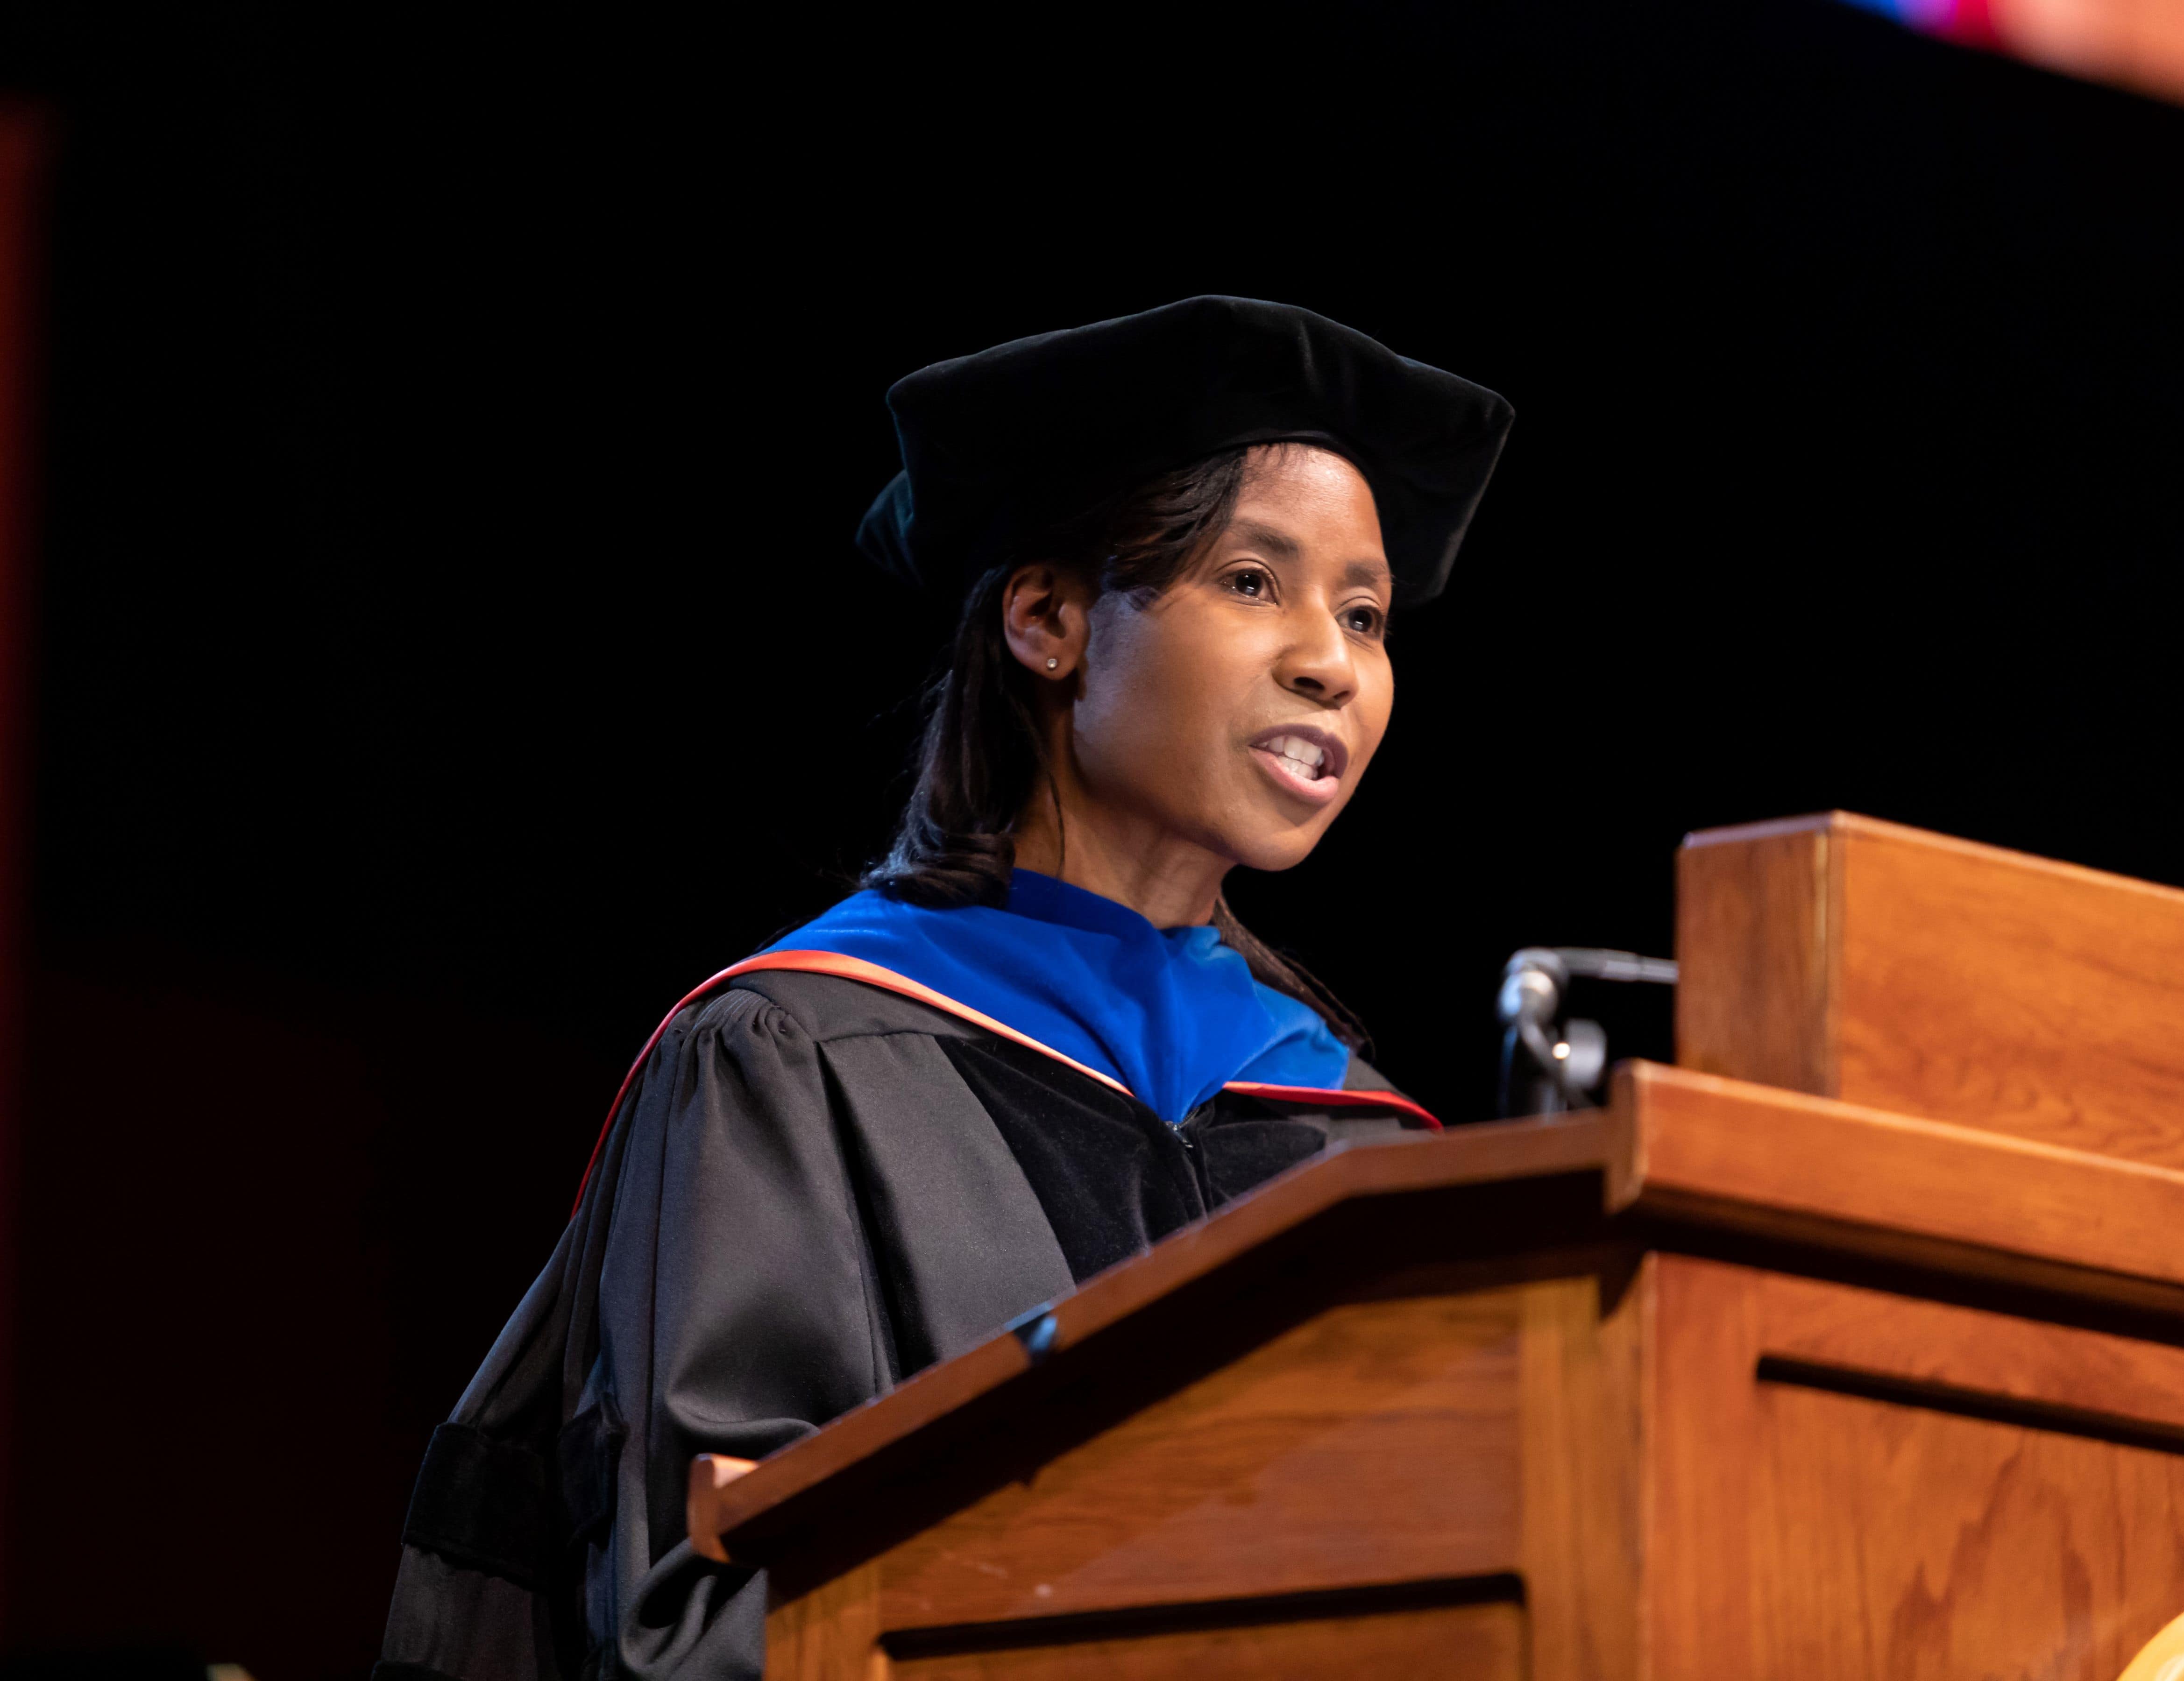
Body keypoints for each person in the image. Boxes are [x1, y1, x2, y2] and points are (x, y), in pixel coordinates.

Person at [375, 296, 1512, 1680]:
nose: (1332, 665)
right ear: (1048, 618)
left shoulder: (1361, 1146)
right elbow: (697, 1617)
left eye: (1366, 613)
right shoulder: (796, 1059)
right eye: (1253, 583)